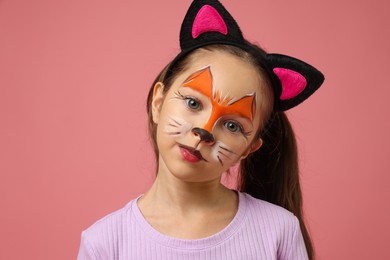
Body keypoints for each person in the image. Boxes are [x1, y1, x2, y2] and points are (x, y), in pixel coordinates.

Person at [77, 0, 324, 259]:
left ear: (250, 148)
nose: (204, 131)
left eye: (232, 125)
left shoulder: (279, 231)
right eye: (193, 103)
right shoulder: (104, 243)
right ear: (158, 102)